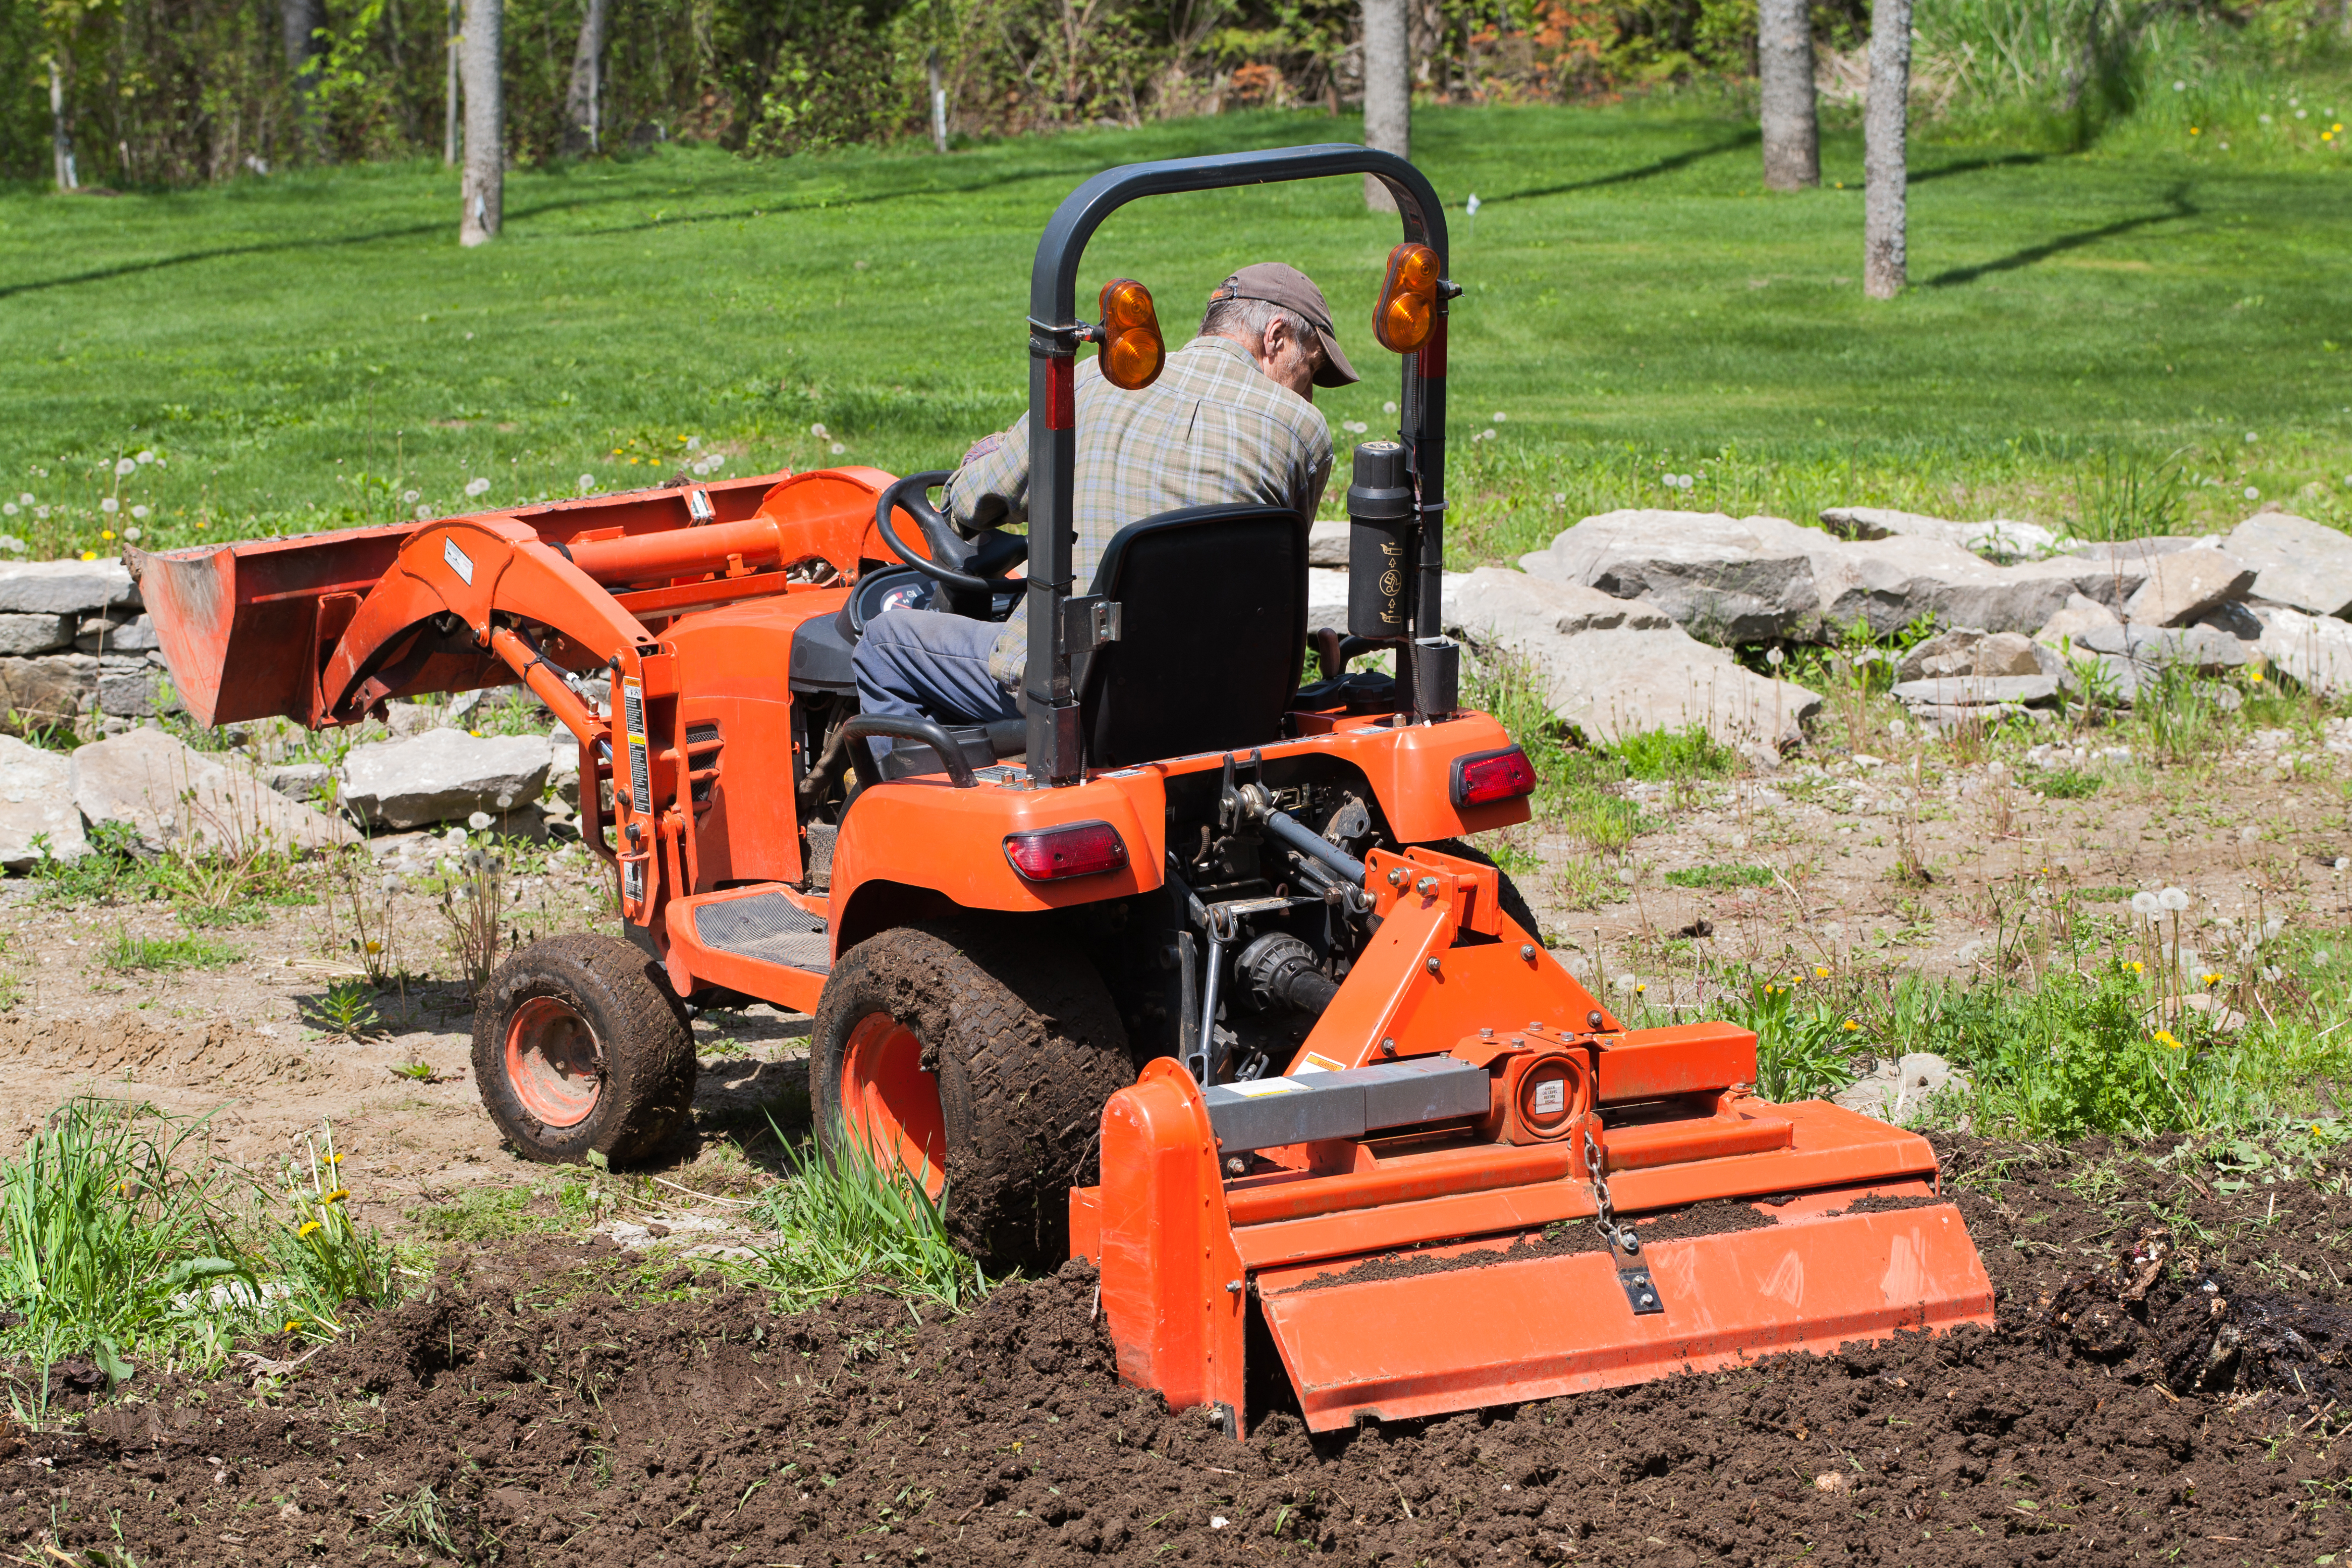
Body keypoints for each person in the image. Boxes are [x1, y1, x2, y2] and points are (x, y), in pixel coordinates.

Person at [851, 262, 1358, 743]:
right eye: (1309, 372)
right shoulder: (1302, 429)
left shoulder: (1094, 382)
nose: (1307, 394)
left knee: (882, 644)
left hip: (1078, 695)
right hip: (1227, 697)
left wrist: (978, 464)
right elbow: (1272, 564)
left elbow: (971, 503)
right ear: (1275, 338)